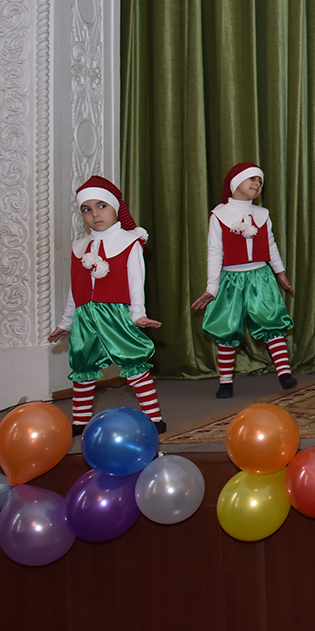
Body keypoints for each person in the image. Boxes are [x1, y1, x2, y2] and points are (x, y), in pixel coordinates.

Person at [48, 175, 166, 435]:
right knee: (82, 364)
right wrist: (66, 322)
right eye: (86, 209)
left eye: (101, 206)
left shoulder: (129, 242)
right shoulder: (79, 246)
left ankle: (154, 417)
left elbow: (136, 281)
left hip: (115, 313)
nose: (95, 214)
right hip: (85, 316)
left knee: (132, 360)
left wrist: (137, 313)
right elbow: (75, 289)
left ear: (115, 208)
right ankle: (79, 421)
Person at [191, 162, 296, 398]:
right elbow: (214, 251)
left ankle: (284, 373)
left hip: (261, 277)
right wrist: (212, 287)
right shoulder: (219, 215)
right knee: (227, 327)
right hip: (231, 280)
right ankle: (225, 382)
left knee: (272, 320)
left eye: (260, 181)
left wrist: (279, 272)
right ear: (235, 183)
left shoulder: (262, 214)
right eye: (252, 179)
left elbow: (270, 244)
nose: (257, 184)